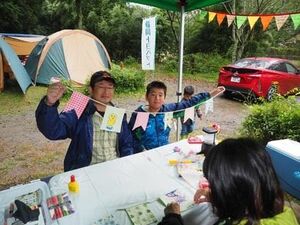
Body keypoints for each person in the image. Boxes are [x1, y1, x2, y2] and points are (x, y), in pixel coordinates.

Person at [158, 137, 298, 225]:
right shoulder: (282, 209)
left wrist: (173, 216)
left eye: (213, 184)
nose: (211, 187)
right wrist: (216, 196)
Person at [36, 71, 134, 171]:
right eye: (101, 86)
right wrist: (49, 105)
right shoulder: (80, 110)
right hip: (85, 169)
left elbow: (126, 143)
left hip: (113, 166)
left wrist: (126, 164)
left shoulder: (117, 113)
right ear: (91, 90)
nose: (106, 91)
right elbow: (54, 131)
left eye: (110, 87)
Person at [129, 81, 223, 153]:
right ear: (146, 97)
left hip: (164, 150)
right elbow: (132, 137)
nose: (157, 98)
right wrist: (140, 151)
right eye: (153, 95)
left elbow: (188, 104)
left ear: (164, 98)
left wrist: (211, 94)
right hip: (144, 154)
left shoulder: (167, 110)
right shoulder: (139, 114)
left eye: (160, 95)